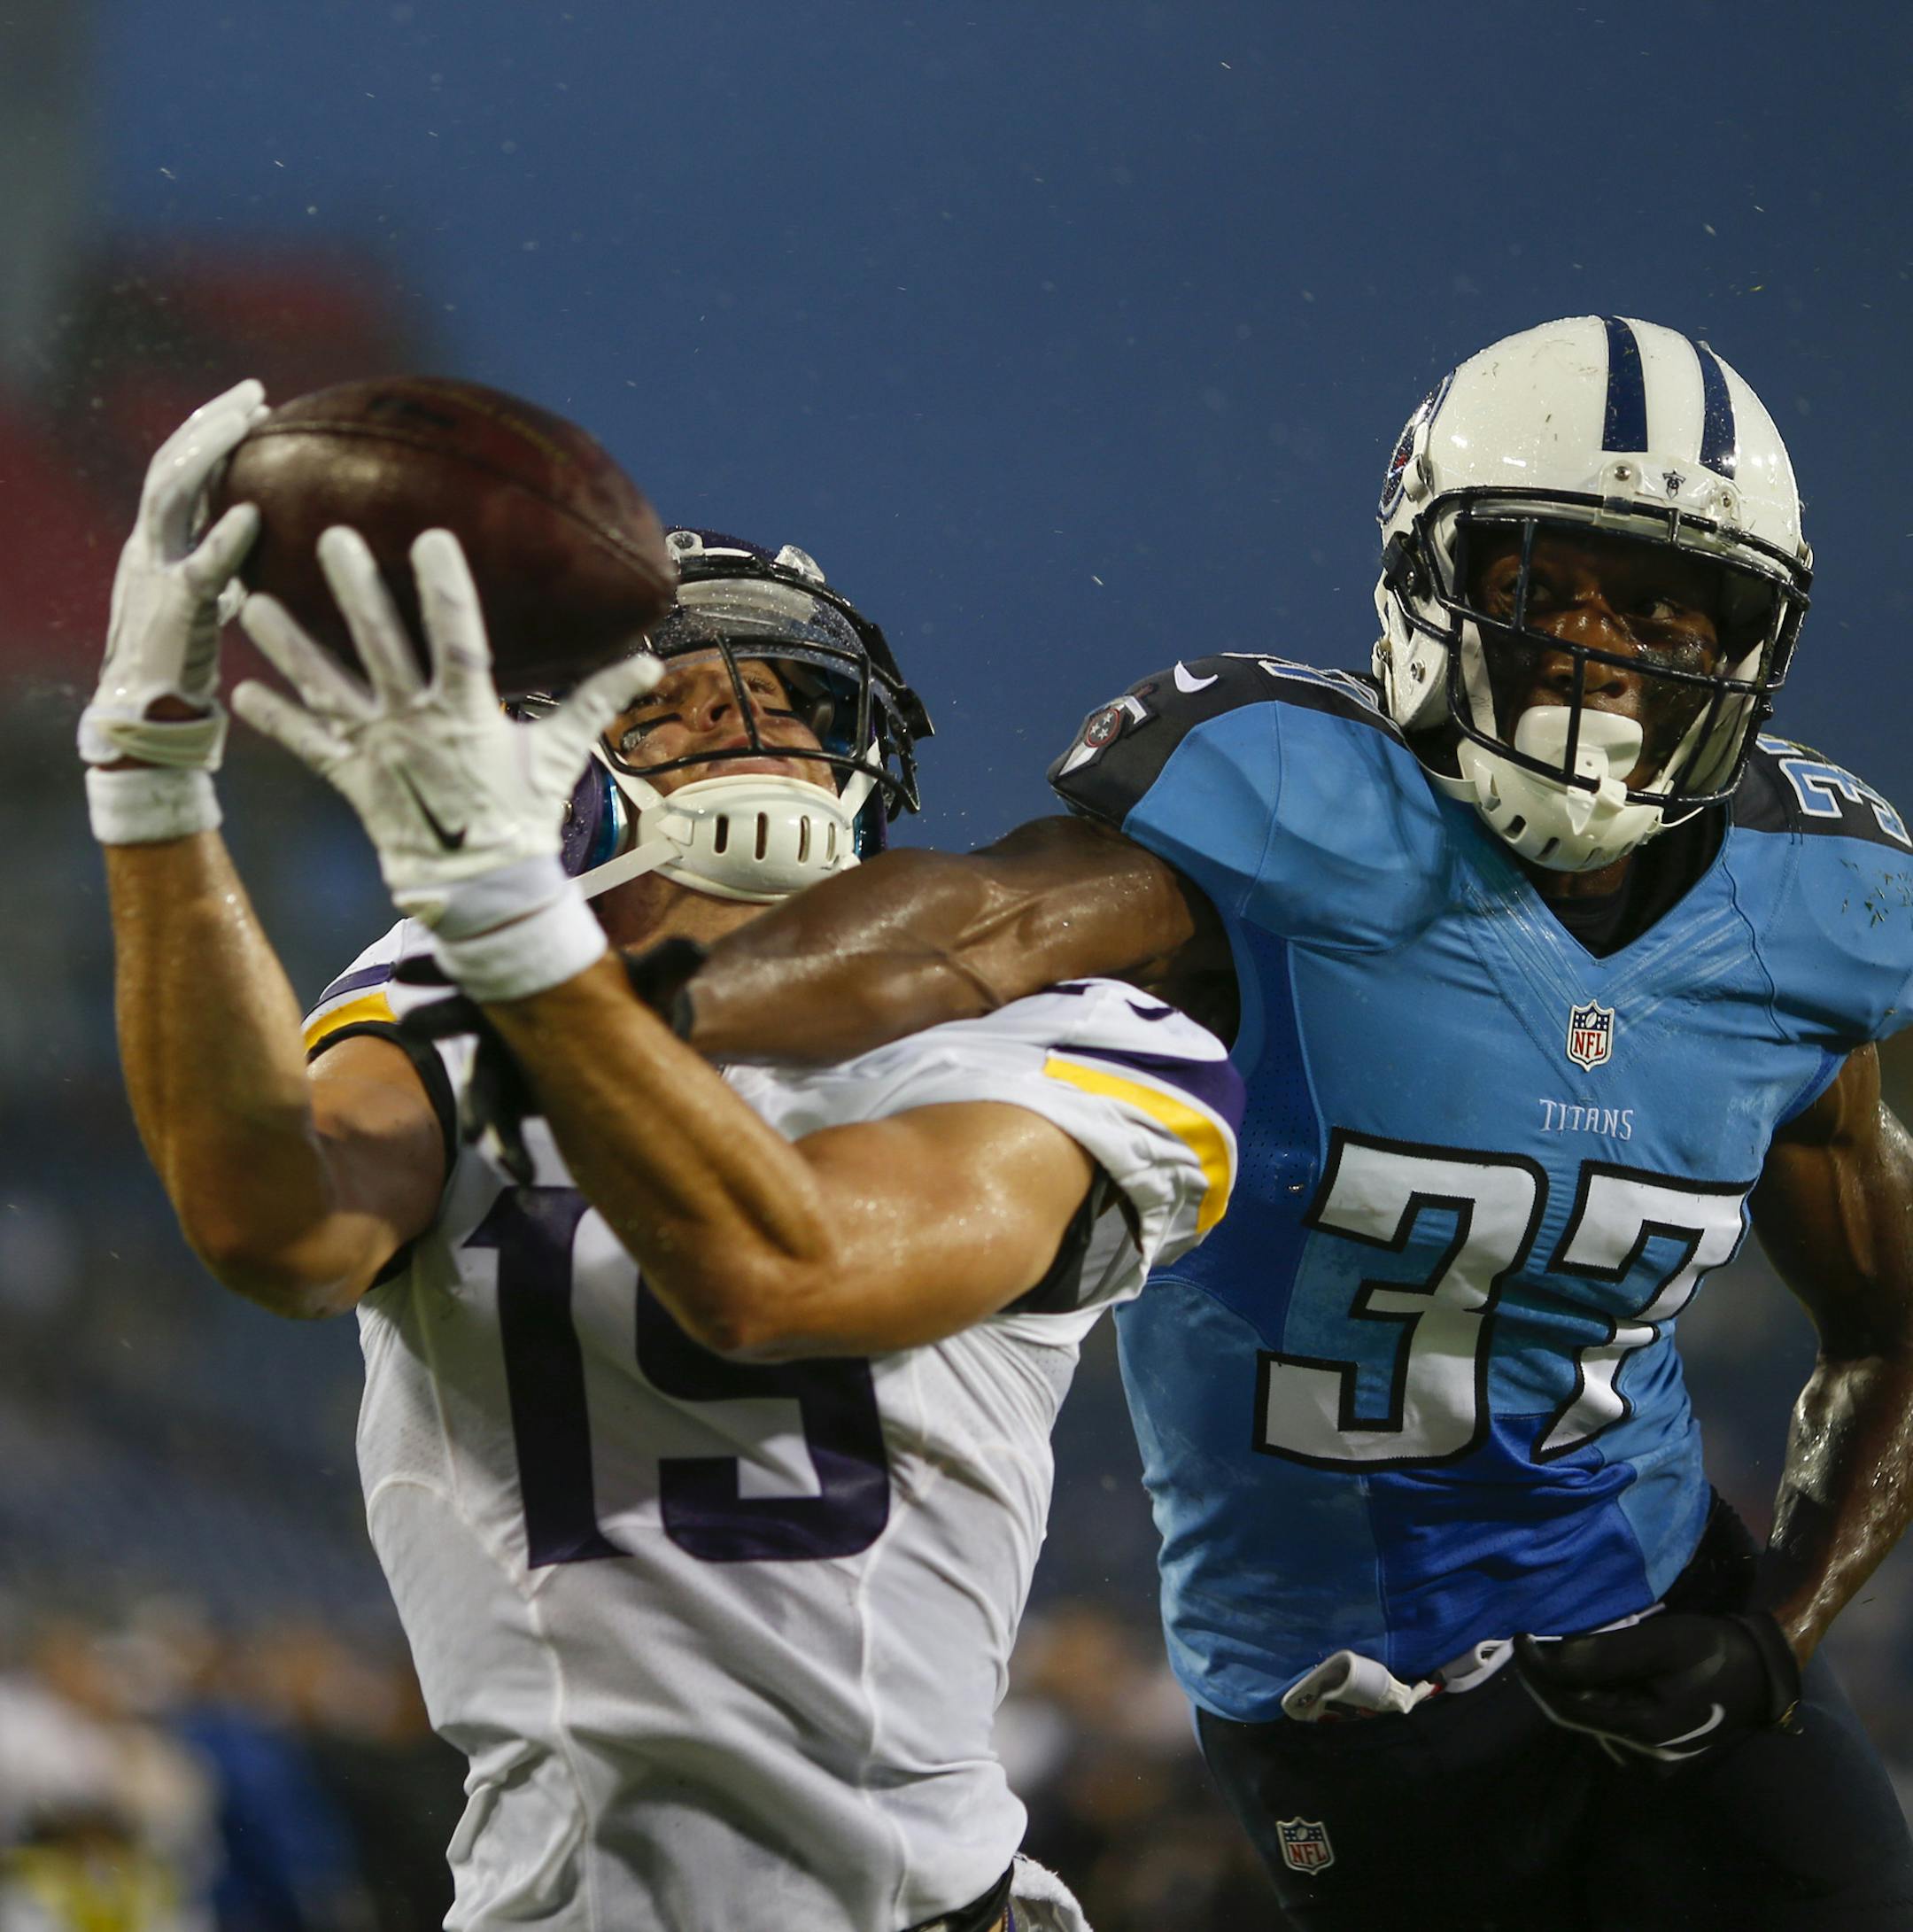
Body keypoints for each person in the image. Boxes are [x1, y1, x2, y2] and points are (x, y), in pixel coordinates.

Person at [654, 317, 1913, 1930]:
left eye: (1665, 602)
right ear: (1431, 581)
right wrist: (624, 1009)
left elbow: (1888, 1322)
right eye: (1546, 581)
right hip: (1340, 1684)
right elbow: (961, 930)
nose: (1603, 645)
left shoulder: (1809, 914)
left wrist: (1776, 1633)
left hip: (1667, 1607)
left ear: (1749, 641)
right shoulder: (1284, 824)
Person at [81, 386, 1243, 1932]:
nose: (746, 727)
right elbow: (274, 1229)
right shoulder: (439, 983)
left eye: (787, 695)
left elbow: (787, 1272)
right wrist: (152, 779)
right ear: (544, 759)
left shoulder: (1070, 1028)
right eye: (674, 703)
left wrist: (517, 940)